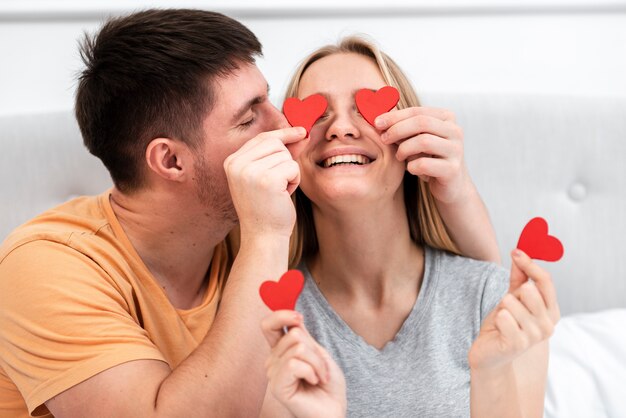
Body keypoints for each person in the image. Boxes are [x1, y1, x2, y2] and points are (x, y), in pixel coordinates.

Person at [0, 10, 498, 418]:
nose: (287, 124)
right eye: (248, 116)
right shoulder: (45, 268)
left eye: (272, 100)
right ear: (171, 161)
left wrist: (453, 190)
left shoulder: (226, 236)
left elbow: (479, 299)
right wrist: (265, 234)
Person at [260, 37, 561, 418]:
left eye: (366, 106)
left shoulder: (497, 302)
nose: (339, 128)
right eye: (316, 113)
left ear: (414, 140)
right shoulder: (275, 318)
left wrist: (491, 375)